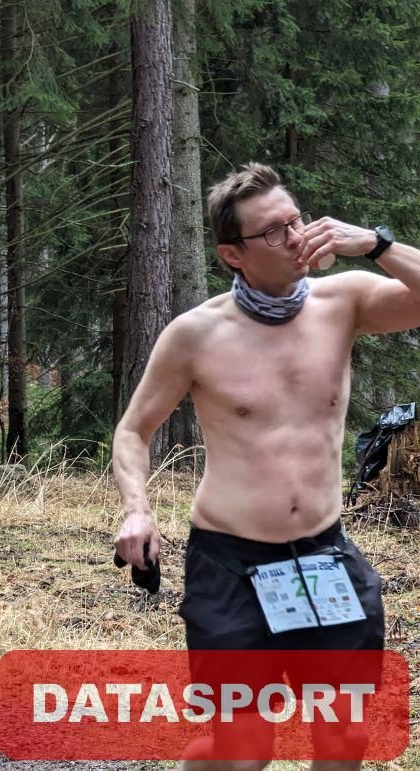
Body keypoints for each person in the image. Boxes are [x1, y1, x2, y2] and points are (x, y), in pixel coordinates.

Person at [112, 163, 420, 769]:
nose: (296, 236)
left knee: (344, 739)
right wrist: (136, 510)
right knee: (243, 751)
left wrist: (376, 244)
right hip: (231, 564)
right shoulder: (196, 334)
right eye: (274, 231)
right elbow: (133, 430)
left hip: (323, 557)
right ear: (233, 254)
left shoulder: (343, 302)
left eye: (296, 220)